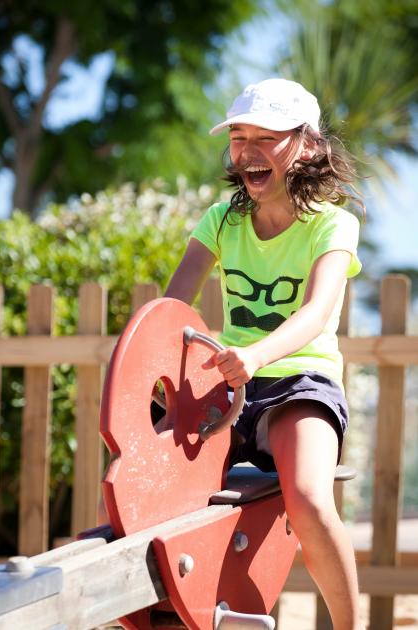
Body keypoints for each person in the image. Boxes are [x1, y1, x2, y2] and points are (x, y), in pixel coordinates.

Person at [164, 78, 364, 630]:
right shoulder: (222, 221)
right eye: (237, 137)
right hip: (230, 389)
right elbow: (173, 304)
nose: (247, 151)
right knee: (155, 485)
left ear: (307, 144)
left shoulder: (332, 223)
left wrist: (254, 356)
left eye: (265, 137)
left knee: (307, 498)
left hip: (302, 383)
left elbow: (318, 312)